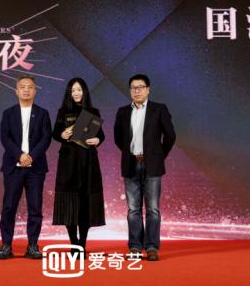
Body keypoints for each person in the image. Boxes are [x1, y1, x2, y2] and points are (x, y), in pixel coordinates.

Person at [113, 74, 175, 261]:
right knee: (133, 210)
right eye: (133, 87)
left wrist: (158, 155)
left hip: (152, 165)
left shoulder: (159, 109)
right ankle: (134, 247)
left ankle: (152, 247)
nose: (137, 90)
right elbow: (118, 138)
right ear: (130, 90)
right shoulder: (123, 111)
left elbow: (170, 136)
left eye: (140, 87)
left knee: (153, 209)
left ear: (148, 89)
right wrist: (131, 154)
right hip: (130, 164)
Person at [0, 76, 52, 259]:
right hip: (13, 167)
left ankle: (33, 245)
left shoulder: (42, 114)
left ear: (35, 91)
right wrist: (20, 156)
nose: (26, 90)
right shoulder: (8, 113)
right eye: (22, 87)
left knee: (35, 208)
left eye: (30, 87)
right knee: (9, 207)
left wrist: (31, 156)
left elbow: (46, 138)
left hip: (36, 168)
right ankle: (6, 245)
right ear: (16, 91)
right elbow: (5, 138)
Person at [51, 78, 105, 257]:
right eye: (73, 90)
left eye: (79, 90)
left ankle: (82, 243)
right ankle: (74, 243)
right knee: (69, 203)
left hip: (88, 162)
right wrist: (62, 134)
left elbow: (101, 135)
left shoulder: (93, 112)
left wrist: (97, 140)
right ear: (69, 93)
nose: (76, 93)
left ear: (85, 91)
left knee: (85, 202)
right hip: (68, 162)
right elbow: (55, 134)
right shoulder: (63, 112)